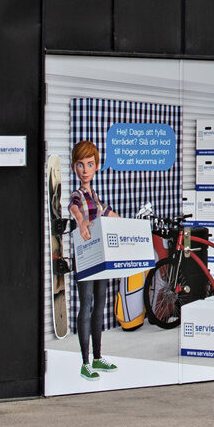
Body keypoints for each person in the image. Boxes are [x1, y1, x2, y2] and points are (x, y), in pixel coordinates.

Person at [68, 140, 119, 380]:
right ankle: (85, 362)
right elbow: (74, 208)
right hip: (85, 256)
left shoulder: (95, 197)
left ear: (97, 166)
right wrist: (81, 222)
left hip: (100, 256)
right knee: (86, 303)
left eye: (89, 164)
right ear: (74, 167)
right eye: (80, 164)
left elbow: (109, 213)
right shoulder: (78, 195)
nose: (85, 170)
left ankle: (97, 357)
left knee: (99, 304)